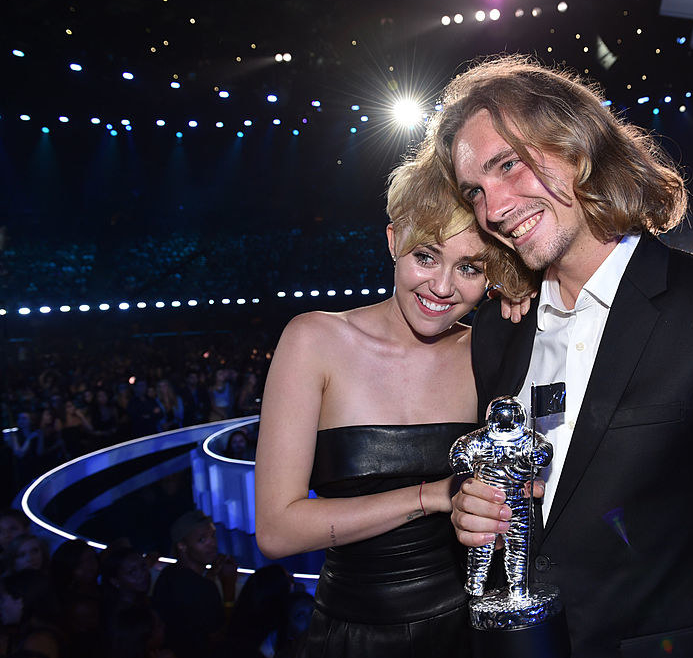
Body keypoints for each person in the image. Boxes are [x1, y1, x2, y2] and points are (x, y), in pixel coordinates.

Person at [432, 55, 693, 657]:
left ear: (578, 147)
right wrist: (473, 507)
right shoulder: (502, 330)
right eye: (475, 191)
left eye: (508, 165)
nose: (495, 208)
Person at [254, 151, 533, 657]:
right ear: (393, 242)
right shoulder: (313, 340)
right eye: (426, 256)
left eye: (469, 267)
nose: (442, 288)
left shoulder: (490, 349)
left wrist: (529, 292)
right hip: (353, 634)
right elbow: (277, 530)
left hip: (469, 632)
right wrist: (430, 496)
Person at [151, 510, 236, 658]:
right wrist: (229, 587)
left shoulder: (168, 574)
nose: (213, 545)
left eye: (213, 536)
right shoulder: (203, 589)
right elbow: (220, 638)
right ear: (182, 546)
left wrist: (210, 576)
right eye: (202, 540)